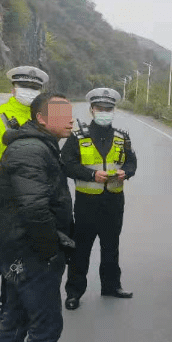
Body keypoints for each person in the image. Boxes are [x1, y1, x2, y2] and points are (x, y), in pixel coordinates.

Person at [0, 92, 77, 342]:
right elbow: (35, 208)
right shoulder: (32, 150)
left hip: (16, 249)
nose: (70, 119)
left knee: (16, 321)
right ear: (40, 118)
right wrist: (51, 251)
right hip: (30, 251)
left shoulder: (36, 145)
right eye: (61, 113)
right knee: (45, 325)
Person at [0, 66, 49, 335]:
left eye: (34, 88)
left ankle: (11, 308)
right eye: (24, 87)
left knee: (19, 260)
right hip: (2, 208)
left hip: (30, 207)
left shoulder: (40, 121)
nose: (29, 92)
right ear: (12, 89)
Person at [62, 88, 137, 310]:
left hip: (114, 200)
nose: (105, 112)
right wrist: (91, 174)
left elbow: (132, 162)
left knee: (111, 246)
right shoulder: (78, 136)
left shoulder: (122, 137)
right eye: (100, 108)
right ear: (92, 110)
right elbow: (66, 163)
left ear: (114, 110)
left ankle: (111, 286)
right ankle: (74, 292)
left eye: (109, 109)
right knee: (81, 249)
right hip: (87, 202)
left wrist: (127, 172)